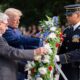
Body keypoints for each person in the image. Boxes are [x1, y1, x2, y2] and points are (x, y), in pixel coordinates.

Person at [0, 12, 47, 80]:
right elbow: (11, 52)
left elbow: (7, 57)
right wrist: (34, 52)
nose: (7, 28)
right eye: (5, 25)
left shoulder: (3, 37)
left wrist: (29, 67)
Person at [54, 4, 80, 80]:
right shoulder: (67, 30)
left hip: (77, 70)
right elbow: (63, 48)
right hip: (65, 68)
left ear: (78, 15)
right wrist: (56, 62)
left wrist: (60, 58)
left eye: (69, 15)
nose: (67, 17)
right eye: (67, 15)